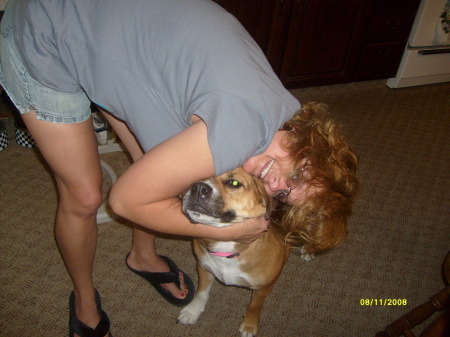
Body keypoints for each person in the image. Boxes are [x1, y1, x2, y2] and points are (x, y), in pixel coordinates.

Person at [0, 0, 358, 336]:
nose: (276, 183)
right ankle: (84, 300)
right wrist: (231, 232)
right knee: (85, 196)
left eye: (283, 193)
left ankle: (142, 256)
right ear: (311, 145)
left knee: (156, 168)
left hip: (117, 36)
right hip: (46, 28)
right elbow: (124, 203)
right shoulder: (236, 130)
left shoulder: (285, 107)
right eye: (296, 176)